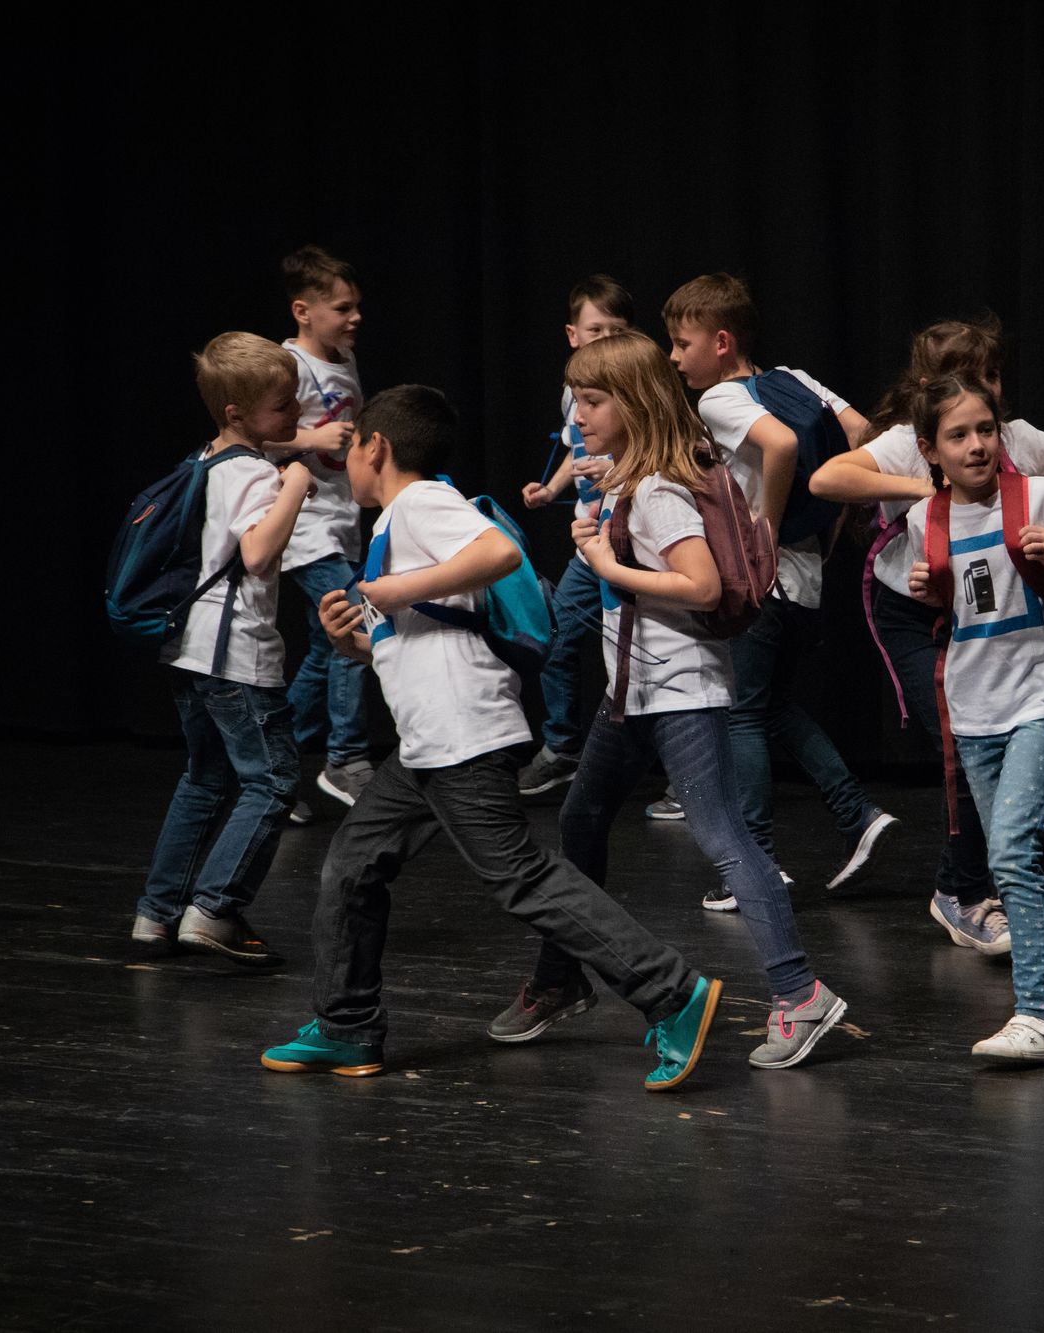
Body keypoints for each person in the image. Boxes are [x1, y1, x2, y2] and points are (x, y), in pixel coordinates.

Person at [259, 383, 722, 1088]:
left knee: (521, 877)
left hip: (462, 734)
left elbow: (500, 551)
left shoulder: (420, 501)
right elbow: (420, 640)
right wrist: (351, 641)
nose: (343, 466)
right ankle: (347, 1027)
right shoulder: (397, 525)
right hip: (427, 744)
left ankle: (671, 991)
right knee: (352, 866)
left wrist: (395, 590)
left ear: (375, 447)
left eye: (349, 451)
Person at [507, 330, 850, 1071]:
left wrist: (607, 564)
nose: (578, 415)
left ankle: (800, 992)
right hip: (634, 692)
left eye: (593, 401)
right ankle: (560, 977)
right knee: (580, 817)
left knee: (725, 836)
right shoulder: (634, 477)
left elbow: (701, 585)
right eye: (577, 400)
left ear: (633, 404)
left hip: (678, 691)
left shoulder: (660, 490)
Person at [810, 316, 1044, 952]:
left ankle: (1007, 882)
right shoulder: (911, 444)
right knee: (962, 739)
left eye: (994, 376)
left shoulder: (1007, 436)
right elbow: (826, 479)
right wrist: (930, 489)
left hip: (993, 615)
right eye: (971, 376)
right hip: (916, 611)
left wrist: (1033, 494)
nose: (987, 392)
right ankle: (964, 890)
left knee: (995, 751)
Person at [902, 375, 1044, 1062]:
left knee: (1009, 853)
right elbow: (952, 603)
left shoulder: (1040, 495)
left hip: (1040, 696)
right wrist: (927, 588)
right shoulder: (924, 519)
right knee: (1019, 856)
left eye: (985, 430)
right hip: (974, 707)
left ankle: (1038, 1016)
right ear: (930, 450)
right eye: (958, 435)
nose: (976, 445)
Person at [665, 273, 894, 902]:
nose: (674, 357)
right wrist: (828, 517)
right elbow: (863, 434)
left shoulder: (718, 400)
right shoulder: (795, 378)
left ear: (720, 342)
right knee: (771, 708)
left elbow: (783, 443)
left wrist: (764, 526)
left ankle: (757, 865)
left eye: (682, 343)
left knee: (742, 713)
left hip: (761, 580)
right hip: (806, 580)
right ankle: (857, 812)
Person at [132, 333, 313, 967]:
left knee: (206, 779)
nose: (296, 413)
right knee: (274, 782)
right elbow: (257, 555)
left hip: (189, 649)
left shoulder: (206, 460)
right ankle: (213, 909)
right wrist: (295, 483)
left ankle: (157, 914)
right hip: (235, 655)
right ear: (237, 414)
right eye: (282, 406)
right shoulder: (255, 473)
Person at [516, 274, 632, 796]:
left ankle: (679, 772)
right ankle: (562, 747)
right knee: (555, 638)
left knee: (632, 660)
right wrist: (551, 489)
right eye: (595, 329)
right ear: (572, 334)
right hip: (590, 548)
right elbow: (576, 446)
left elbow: (661, 452)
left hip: (628, 545)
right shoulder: (573, 391)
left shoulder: (637, 387)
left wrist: (618, 474)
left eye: (616, 330)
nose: (605, 339)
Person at [272, 246, 375, 819]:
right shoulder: (286, 366)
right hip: (305, 526)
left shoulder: (344, 357)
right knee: (354, 620)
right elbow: (252, 438)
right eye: (342, 308)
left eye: (357, 306)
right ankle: (345, 757)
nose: (355, 317)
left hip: (341, 520)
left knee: (323, 648)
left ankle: (270, 768)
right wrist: (309, 440)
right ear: (303, 311)